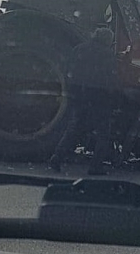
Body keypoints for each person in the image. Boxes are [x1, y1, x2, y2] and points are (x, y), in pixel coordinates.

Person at [49, 27, 118, 175]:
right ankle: (96, 166)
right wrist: (113, 98)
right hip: (100, 99)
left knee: (74, 130)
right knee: (103, 134)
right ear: (107, 39)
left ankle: (57, 157)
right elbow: (111, 79)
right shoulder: (107, 54)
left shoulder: (79, 49)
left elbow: (68, 70)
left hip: (80, 97)